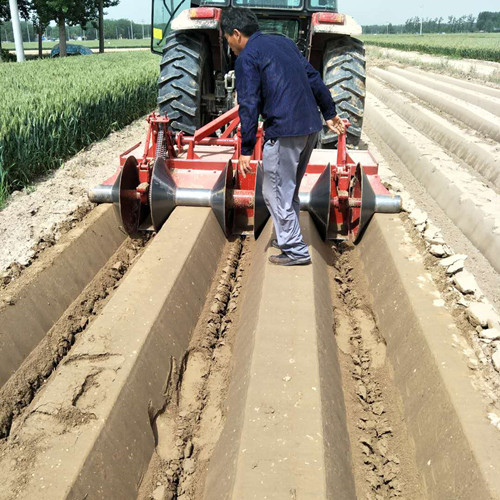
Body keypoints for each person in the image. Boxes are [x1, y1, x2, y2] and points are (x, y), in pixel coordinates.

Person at [221, 8, 345, 266]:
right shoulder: (284, 43)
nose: (228, 44)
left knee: (274, 192)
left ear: (236, 34)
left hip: (285, 130)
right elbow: (314, 78)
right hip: (310, 127)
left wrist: (246, 149)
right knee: (288, 190)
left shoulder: (246, 58)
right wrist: (330, 113)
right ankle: (287, 236)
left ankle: (295, 250)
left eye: (227, 38)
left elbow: (249, 105)